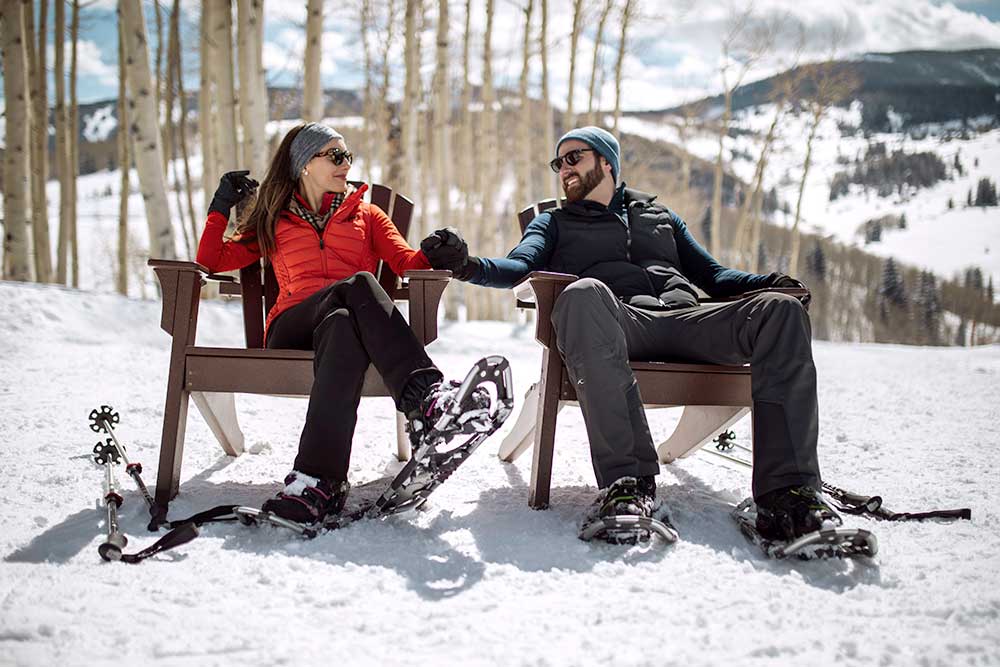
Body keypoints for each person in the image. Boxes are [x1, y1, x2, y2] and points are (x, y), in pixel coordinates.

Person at [420, 126, 841, 543]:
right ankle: (629, 484)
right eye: (557, 162)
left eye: (573, 157)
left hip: (688, 321)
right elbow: (519, 266)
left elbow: (713, 276)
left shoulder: (660, 217)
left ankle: (788, 497)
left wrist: (768, 284)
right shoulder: (554, 222)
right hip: (619, 325)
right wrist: (467, 265)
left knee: (780, 311)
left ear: (607, 161)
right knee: (582, 293)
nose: (563, 168)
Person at [196, 122, 465, 526]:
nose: (345, 165)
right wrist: (220, 206)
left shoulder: (368, 215)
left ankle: (317, 483)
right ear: (305, 164)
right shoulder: (274, 219)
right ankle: (426, 397)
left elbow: (407, 264)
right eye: (335, 156)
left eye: (348, 157)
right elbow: (213, 260)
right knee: (356, 285)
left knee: (342, 322)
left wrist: (438, 251)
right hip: (291, 328)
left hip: (341, 334)